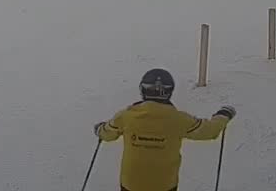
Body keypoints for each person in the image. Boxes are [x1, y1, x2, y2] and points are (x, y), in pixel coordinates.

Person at [94, 68, 234, 191]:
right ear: (169, 92)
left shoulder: (126, 116)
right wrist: (223, 116)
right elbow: (209, 131)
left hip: (131, 183)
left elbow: (107, 134)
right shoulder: (178, 119)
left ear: (142, 90)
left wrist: (100, 129)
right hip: (164, 184)